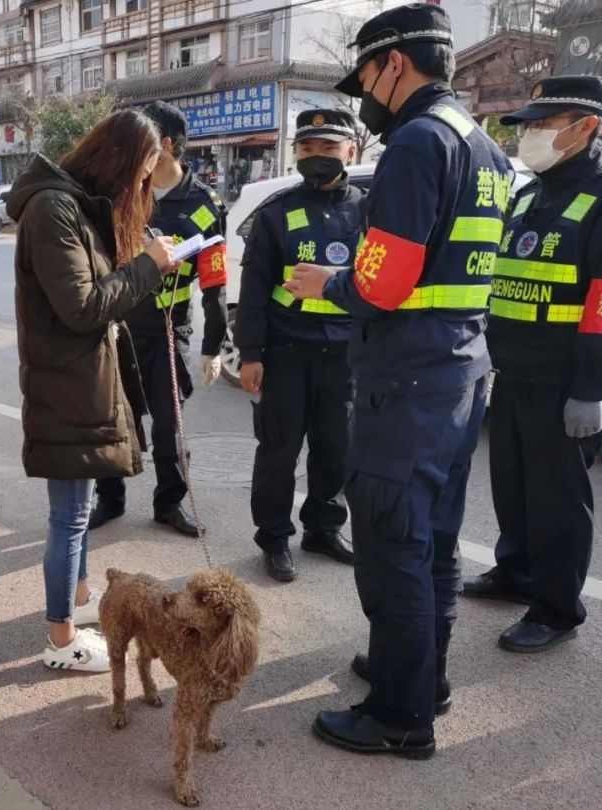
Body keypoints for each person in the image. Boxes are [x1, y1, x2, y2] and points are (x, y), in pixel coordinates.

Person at [285, 3, 514, 758]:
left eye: (366, 79)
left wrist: (329, 281)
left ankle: (398, 716)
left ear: (393, 64)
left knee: (392, 544)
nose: (364, 98)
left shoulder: (416, 144)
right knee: (435, 544)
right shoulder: (480, 144)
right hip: (457, 373)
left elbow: (384, 282)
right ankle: (419, 675)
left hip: (408, 381)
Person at [7, 110, 177, 673]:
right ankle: (61, 638)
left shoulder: (77, 207)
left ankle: (76, 602)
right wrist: (148, 268)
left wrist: (148, 265)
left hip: (83, 378)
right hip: (68, 383)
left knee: (75, 513)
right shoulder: (54, 209)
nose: (144, 184)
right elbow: (82, 308)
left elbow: (104, 297)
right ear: (123, 161)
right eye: (145, 170)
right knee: (70, 517)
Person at [461, 76, 602, 653]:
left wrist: (591, 388)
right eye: (530, 125)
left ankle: (556, 606)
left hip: (564, 380)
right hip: (513, 372)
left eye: (545, 124)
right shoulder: (527, 194)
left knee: (557, 500)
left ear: (586, 126)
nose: (532, 135)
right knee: (512, 486)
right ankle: (514, 571)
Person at [88, 101, 228, 537]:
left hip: (169, 334)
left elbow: (215, 283)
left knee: (170, 424)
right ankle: (109, 498)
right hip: (119, 330)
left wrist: (212, 347)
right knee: (113, 419)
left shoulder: (204, 206)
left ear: (165, 145)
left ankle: (170, 502)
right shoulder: (122, 194)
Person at [234, 110, 363, 583]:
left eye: (328, 148)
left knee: (336, 450)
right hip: (286, 353)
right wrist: (250, 354)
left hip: (346, 356)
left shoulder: (369, 212)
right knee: (278, 452)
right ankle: (273, 536)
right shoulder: (276, 212)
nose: (316, 158)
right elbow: (253, 291)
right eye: (307, 149)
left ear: (351, 151)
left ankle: (322, 529)